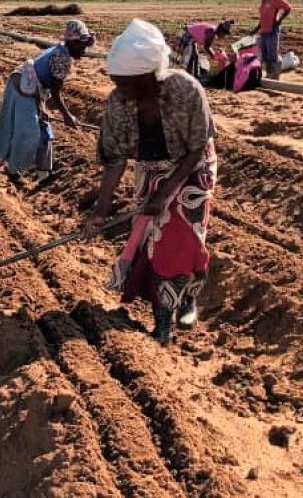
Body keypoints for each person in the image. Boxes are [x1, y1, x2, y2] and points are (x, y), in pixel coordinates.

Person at [84, 19, 217, 345]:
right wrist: (101, 209)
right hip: (150, 166)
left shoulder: (186, 90)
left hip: (193, 166)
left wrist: (168, 192)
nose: (120, 89)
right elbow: (114, 158)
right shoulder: (117, 103)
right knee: (154, 241)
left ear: (149, 77)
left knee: (186, 237)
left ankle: (187, 300)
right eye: (116, 81)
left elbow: (198, 145)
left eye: (127, 82)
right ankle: (163, 317)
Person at [0, 20, 95, 182]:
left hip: (35, 89)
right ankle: (12, 170)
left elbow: (48, 88)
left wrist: (42, 108)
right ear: (73, 43)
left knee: (44, 130)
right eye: (82, 46)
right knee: (29, 131)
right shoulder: (61, 58)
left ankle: (44, 174)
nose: (84, 51)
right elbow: (55, 92)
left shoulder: (63, 51)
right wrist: (67, 116)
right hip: (23, 87)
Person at [249, 0, 291, 79]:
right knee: (265, 55)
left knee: (272, 54)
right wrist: (255, 30)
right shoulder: (263, 2)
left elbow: (288, 8)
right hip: (264, 31)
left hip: (272, 30)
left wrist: (279, 20)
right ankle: (269, 74)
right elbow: (262, 19)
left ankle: (275, 76)